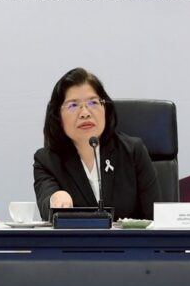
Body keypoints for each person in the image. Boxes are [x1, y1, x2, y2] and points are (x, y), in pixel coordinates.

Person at [34, 67, 159, 221]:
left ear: (105, 107)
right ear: (57, 116)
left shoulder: (133, 152)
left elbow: (156, 221)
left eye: (93, 103)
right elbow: (46, 205)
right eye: (73, 105)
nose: (85, 113)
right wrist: (55, 199)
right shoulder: (47, 161)